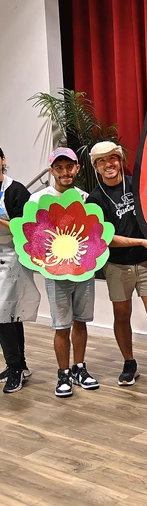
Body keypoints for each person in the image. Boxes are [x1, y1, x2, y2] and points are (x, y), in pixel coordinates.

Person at [85, 141, 147, 387]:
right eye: (101, 161)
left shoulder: (138, 185)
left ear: (119, 160)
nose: (108, 164)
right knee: (122, 316)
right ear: (96, 167)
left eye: (112, 158)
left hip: (146, 261)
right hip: (117, 265)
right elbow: (104, 238)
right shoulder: (94, 199)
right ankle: (129, 363)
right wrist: (139, 241)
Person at [29, 148, 100, 397]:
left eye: (69, 167)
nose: (64, 172)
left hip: (83, 271)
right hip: (55, 273)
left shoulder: (86, 198)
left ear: (77, 168)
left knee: (81, 321)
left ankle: (79, 368)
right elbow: (32, 237)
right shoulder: (37, 200)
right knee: (62, 326)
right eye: (59, 168)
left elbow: (95, 234)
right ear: (51, 171)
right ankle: (63, 373)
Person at [0, 146, 41, 393]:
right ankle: (19, 364)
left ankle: (15, 367)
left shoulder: (16, 191)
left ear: (3, 160)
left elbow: (25, 228)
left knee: (4, 312)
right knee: (9, 312)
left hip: (13, 256)